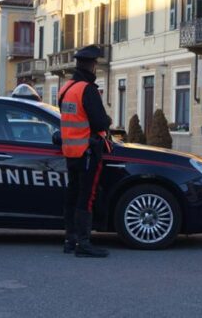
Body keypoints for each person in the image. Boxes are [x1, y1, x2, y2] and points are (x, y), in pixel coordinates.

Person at [58, 45, 112, 258]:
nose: (96, 67)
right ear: (91, 65)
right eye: (96, 63)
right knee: (86, 197)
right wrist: (107, 121)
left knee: (72, 195)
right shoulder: (87, 89)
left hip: (70, 150)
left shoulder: (66, 88)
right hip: (87, 151)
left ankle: (70, 240)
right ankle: (84, 243)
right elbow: (99, 122)